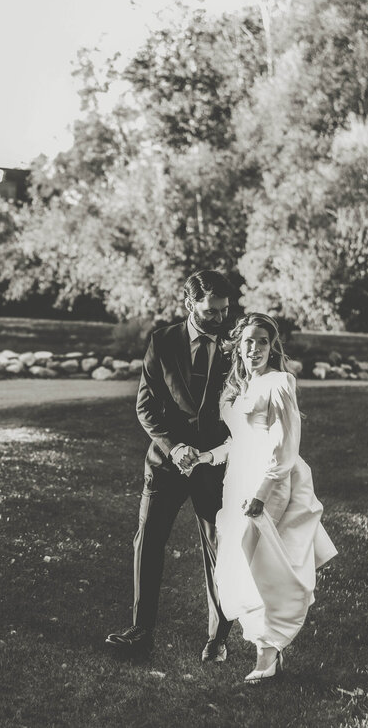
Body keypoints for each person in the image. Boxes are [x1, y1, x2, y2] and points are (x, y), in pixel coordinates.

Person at [185, 312, 337, 683]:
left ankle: (266, 657)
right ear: (238, 344)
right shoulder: (238, 387)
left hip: (267, 484)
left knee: (262, 567)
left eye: (263, 341)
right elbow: (239, 440)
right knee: (240, 566)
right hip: (237, 482)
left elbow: (284, 446)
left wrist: (261, 494)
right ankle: (267, 652)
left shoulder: (279, 382)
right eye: (248, 341)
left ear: (273, 347)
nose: (254, 348)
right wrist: (209, 457)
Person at [105, 270, 235, 662]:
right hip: (166, 463)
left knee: (219, 548)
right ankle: (140, 632)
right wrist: (174, 446)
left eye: (224, 311)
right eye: (211, 311)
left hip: (215, 465)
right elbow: (146, 406)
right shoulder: (162, 342)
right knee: (148, 541)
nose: (218, 319)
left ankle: (218, 638)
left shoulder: (233, 345)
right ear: (189, 304)